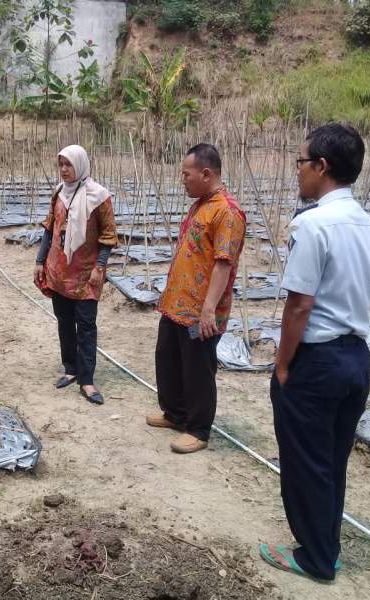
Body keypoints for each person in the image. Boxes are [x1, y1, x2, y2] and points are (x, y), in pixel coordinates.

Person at [259, 124, 370, 582]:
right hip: (355, 357)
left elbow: (300, 305)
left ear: (321, 167)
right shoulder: (368, 225)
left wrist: (283, 364)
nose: (297, 172)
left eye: (300, 162)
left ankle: (314, 559)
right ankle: (325, 547)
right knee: (332, 459)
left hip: (318, 361)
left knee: (305, 461)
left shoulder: (312, 225)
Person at [147, 144, 246, 454]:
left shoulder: (226, 211)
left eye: (186, 174)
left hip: (201, 311)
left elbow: (223, 263)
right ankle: (175, 414)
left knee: (198, 369)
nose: (183, 180)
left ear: (206, 173)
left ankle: (198, 429)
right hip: (177, 304)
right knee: (168, 359)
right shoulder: (202, 204)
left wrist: (208, 310)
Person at [34, 144, 118, 405]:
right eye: (60, 164)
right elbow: (50, 228)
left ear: (80, 165)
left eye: (68, 164)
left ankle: (87, 379)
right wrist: (40, 261)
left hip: (85, 274)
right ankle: (70, 368)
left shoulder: (99, 196)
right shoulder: (59, 193)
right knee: (64, 321)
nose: (63, 170)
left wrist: (99, 267)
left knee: (86, 325)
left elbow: (107, 237)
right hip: (59, 270)